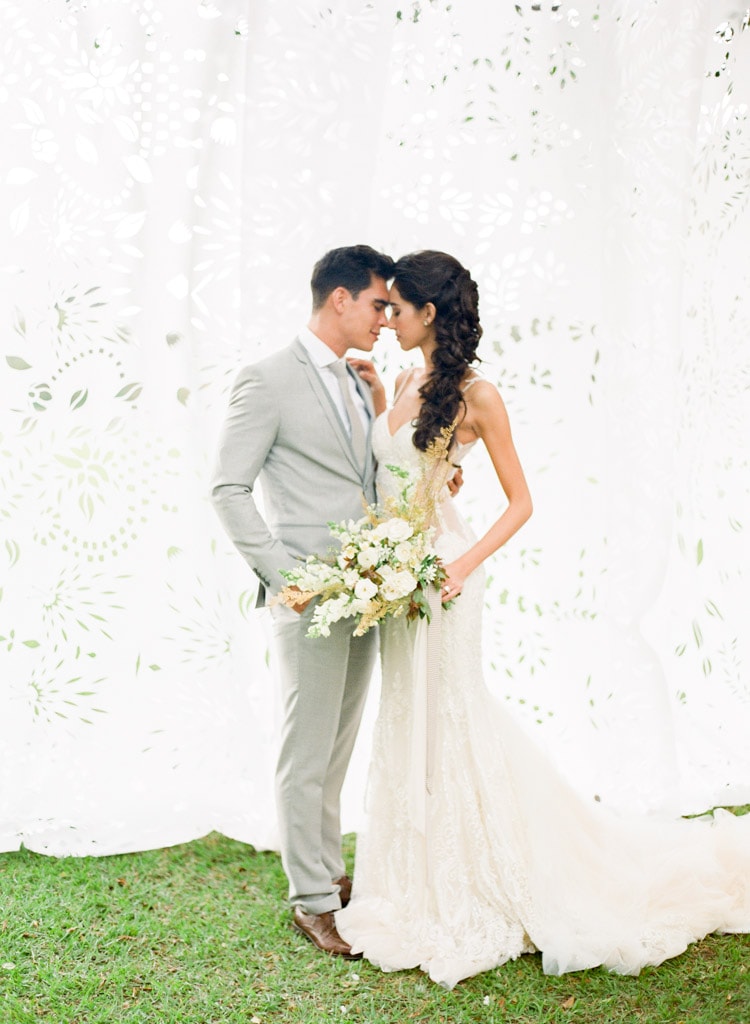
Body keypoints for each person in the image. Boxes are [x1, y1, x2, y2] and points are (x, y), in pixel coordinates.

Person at [337, 250, 750, 989]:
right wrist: (376, 403)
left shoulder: (478, 395)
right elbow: (399, 468)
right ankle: (409, 881)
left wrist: (460, 565)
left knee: (454, 714)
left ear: (429, 314)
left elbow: (523, 502)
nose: (387, 319)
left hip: (446, 576)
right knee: (408, 716)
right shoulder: (401, 379)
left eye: (396, 308)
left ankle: (483, 879)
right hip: (396, 574)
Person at [210, 245, 394, 959]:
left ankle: (328, 872)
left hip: (370, 593)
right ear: (340, 299)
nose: (387, 317)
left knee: (337, 745)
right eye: (379, 303)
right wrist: (286, 575)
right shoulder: (265, 379)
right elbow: (228, 488)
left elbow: (364, 477)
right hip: (308, 592)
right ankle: (310, 899)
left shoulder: (357, 379)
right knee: (304, 748)